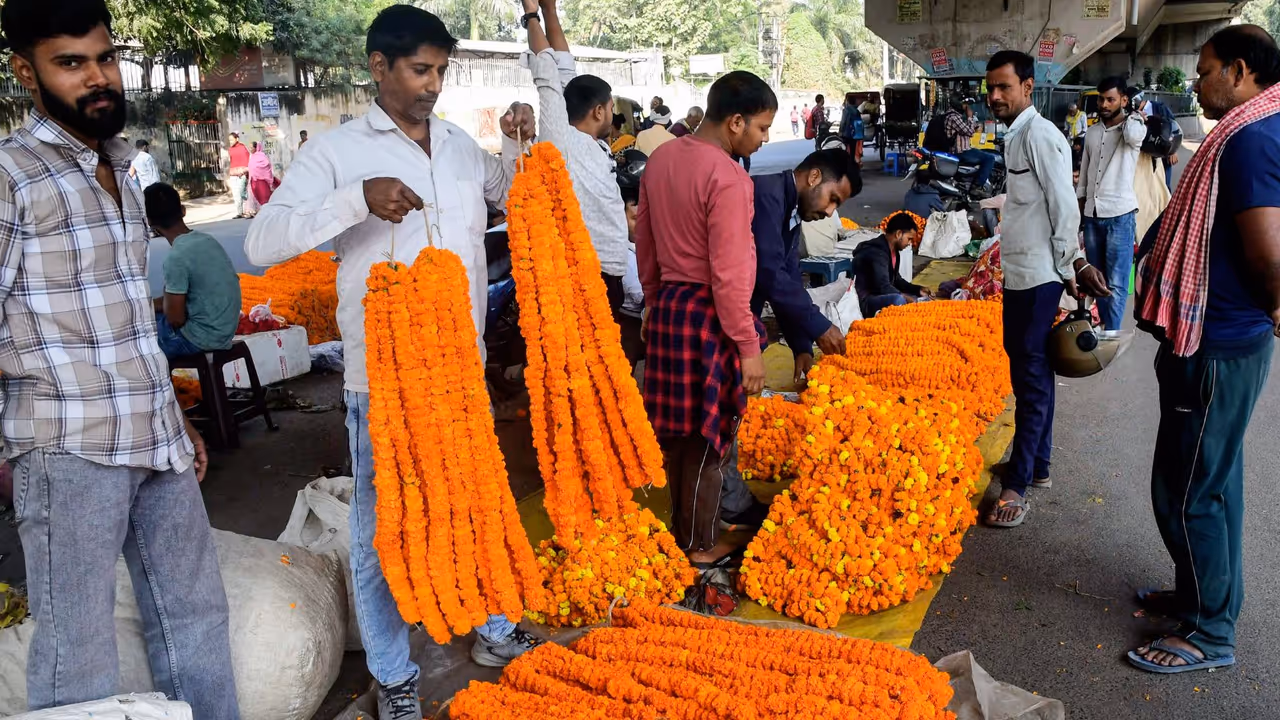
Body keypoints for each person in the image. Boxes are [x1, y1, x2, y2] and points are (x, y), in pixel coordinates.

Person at [244, 6, 538, 718]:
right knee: (384, 530)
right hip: (386, 381)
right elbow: (262, 244)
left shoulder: (458, 145)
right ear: (379, 67)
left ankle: (494, 629)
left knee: (476, 504)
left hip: (460, 373)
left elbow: (505, 194)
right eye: (420, 69)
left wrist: (514, 142)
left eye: (441, 70)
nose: (433, 84)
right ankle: (394, 675)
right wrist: (357, 200)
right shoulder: (338, 153)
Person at [0, 0, 237, 715]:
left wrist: (177, 417)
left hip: (155, 439)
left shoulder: (122, 166)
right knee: (79, 650)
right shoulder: (12, 175)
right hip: (66, 448)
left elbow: (129, 319)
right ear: (25, 72)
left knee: (197, 618)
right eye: (70, 63)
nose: (96, 77)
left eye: (104, 58)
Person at [1129, 24, 1280, 676]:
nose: (1194, 81)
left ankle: (1210, 631)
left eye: (1205, 68)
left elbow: (1266, 249)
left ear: (1241, 71)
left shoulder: (1247, 140)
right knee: (1209, 482)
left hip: (1216, 346)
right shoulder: (1257, 127)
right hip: (1223, 340)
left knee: (1192, 492)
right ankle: (1198, 596)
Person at [635, 70, 776, 568]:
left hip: (672, 307)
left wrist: (653, 301)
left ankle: (687, 530)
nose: (762, 139)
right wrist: (747, 345)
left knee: (678, 434)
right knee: (708, 438)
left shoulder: (661, 159)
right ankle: (697, 545)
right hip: (711, 316)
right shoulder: (728, 177)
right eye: (760, 128)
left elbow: (646, 243)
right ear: (734, 122)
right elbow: (731, 272)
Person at [983, 50, 1109, 528]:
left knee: (1031, 377)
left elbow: (1063, 206)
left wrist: (1074, 262)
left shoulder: (1041, 136)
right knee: (1030, 371)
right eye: (991, 88)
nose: (995, 96)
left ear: (1028, 88)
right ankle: (1037, 465)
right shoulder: (1015, 136)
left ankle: (1018, 484)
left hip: (1038, 277)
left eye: (1005, 88)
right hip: (1019, 274)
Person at [521, 0, 633, 358]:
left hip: (607, 274)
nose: (613, 117)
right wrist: (531, 14)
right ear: (599, 110)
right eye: (611, 109)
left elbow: (565, 71)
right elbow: (548, 79)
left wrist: (550, 10)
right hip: (584, 276)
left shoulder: (590, 143)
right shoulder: (561, 142)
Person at [750, 148, 860, 385]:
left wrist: (801, 346)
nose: (830, 212)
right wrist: (819, 326)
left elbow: (788, 280)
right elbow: (769, 274)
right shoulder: (767, 196)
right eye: (832, 199)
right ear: (814, 177)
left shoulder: (793, 211)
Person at [1076, 76, 1146, 333]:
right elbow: (1084, 175)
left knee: (1116, 283)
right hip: (1093, 216)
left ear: (1123, 100)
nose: (1104, 104)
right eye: (1101, 99)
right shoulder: (1093, 133)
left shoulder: (1133, 127)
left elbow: (1134, 137)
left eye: (1110, 99)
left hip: (1120, 217)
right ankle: (1105, 326)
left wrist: (1132, 115)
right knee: (1096, 279)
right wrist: (1080, 211)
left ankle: (1111, 334)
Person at [145, 183, 241, 361]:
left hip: (198, 338)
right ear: (183, 210)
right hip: (224, 331)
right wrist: (146, 305)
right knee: (150, 315)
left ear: (149, 221)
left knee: (137, 341)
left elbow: (175, 319)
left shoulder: (176, 258)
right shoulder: (207, 241)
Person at [851, 212, 930, 316]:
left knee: (919, 299)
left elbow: (896, 280)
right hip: (866, 301)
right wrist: (906, 297)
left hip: (880, 294)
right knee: (898, 300)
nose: (909, 243)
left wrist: (918, 289)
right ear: (898, 234)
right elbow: (882, 286)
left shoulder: (893, 251)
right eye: (909, 239)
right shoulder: (877, 253)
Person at [924, 98, 996, 189]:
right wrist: (970, 116)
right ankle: (977, 185)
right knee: (990, 158)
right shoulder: (954, 117)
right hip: (962, 152)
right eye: (966, 105)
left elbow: (965, 131)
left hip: (962, 150)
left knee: (983, 153)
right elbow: (969, 132)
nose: (969, 108)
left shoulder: (954, 116)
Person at [1133, 90, 1180, 189]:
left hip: (1162, 154)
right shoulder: (1133, 114)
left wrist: (1173, 151)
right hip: (1144, 156)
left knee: (1164, 186)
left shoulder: (1160, 108)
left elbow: (1174, 128)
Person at [226, 131, 250, 218]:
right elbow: (231, 162)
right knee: (236, 194)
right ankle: (240, 212)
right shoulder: (230, 149)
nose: (231, 142)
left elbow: (247, 161)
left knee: (242, 192)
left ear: (237, 139)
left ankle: (249, 209)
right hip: (233, 174)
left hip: (242, 174)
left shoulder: (243, 148)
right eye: (229, 140)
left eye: (232, 140)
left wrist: (244, 171)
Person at [248, 141, 277, 209]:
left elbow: (266, 166)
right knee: (256, 196)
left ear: (256, 148)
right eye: (249, 148)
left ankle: (266, 209)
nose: (250, 149)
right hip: (254, 180)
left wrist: (260, 171)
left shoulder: (262, 156)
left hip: (262, 180)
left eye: (251, 147)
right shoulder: (252, 156)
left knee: (264, 196)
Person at [839, 93, 865, 167]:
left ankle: (845, 164)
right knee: (853, 149)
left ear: (848, 101)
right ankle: (852, 163)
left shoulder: (846, 110)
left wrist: (840, 131)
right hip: (854, 133)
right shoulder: (857, 110)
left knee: (844, 148)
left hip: (846, 133)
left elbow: (843, 121)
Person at [1064, 101, 1087, 170]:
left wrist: (1075, 137)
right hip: (1071, 139)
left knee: (1080, 155)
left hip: (1080, 138)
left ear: (1076, 109)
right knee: (1071, 155)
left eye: (1073, 111)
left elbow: (1084, 129)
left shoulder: (1082, 115)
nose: (1071, 113)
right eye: (1070, 111)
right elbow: (1066, 128)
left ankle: (1080, 169)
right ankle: (1072, 169)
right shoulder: (1067, 117)